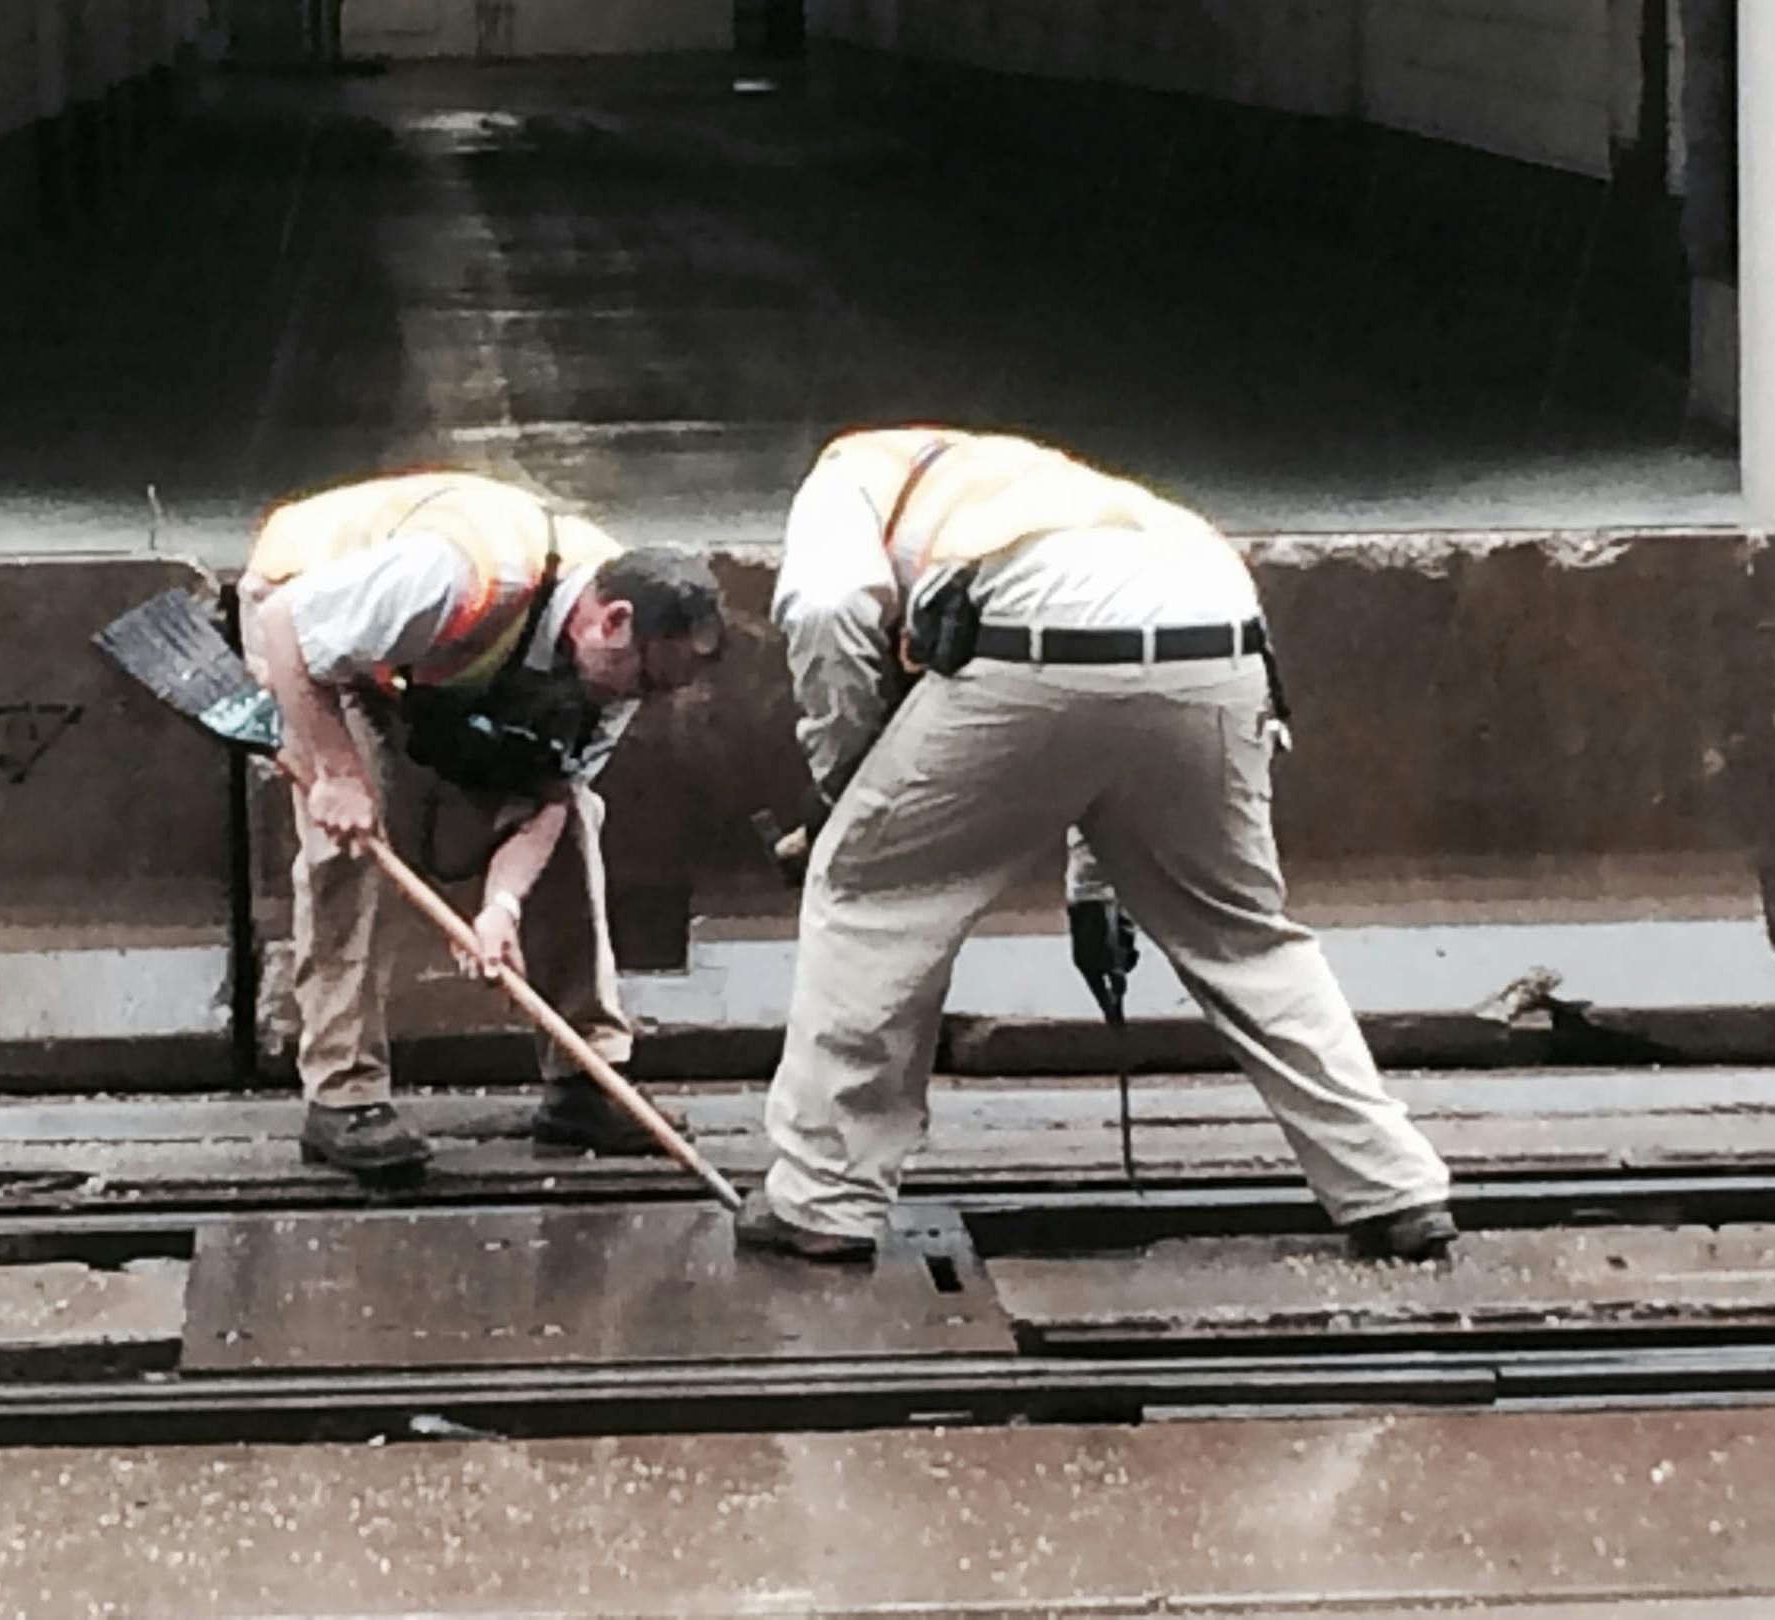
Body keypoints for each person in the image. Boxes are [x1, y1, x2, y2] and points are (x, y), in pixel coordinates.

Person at [737, 428, 1457, 1262]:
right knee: (1246, 938)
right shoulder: (1052, 486)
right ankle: (1393, 1187)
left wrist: (845, 790)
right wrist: (1095, 887)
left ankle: (825, 1200)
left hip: (1035, 646)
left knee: (871, 899)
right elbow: (1113, 709)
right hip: (1221, 641)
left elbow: (829, 610)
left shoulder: (849, 471)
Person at [240, 471, 727, 1175]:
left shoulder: (622, 662)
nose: (642, 700)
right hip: (317, 622)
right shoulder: (460, 574)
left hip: (430, 664)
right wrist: (339, 774)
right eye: (645, 682)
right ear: (612, 620)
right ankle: (342, 1094)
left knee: (579, 821)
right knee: (354, 832)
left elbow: (551, 794)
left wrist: (501, 908)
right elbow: (292, 625)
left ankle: (587, 1078)